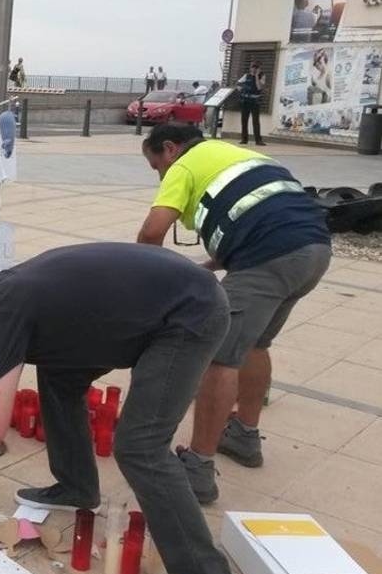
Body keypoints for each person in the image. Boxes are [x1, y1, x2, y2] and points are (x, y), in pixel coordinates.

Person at [0, 243, 234, 574]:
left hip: (190, 314)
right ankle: (77, 488)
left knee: (140, 447)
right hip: (160, 306)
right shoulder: (6, 292)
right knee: (58, 375)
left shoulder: (1, 312)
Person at [136, 124, 331, 505]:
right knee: (256, 344)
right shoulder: (242, 156)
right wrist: (208, 266)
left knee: (217, 356)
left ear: (171, 149)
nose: (160, 175)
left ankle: (198, 469)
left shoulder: (185, 165)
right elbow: (257, 215)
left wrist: (152, 283)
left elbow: (151, 232)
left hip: (269, 256)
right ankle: (243, 435)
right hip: (314, 250)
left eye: (156, 165)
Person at [237, 61, 266, 145]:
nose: (254, 69)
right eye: (253, 67)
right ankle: (244, 139)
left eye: (256, 67)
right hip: (245, 101)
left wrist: (256, 76)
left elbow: (259, 87)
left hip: (255, 101)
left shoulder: (262, 76)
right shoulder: (246, 75)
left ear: (259, 69)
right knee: (244, 120)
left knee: (255, 121)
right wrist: (241, 89)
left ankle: (258, 140)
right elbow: (238, 84)